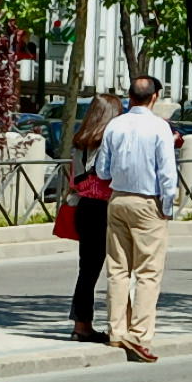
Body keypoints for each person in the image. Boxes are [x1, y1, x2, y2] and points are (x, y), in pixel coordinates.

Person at [95, 76, 178, 363]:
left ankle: (116, 330)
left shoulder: (115, 125)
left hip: (118, 198)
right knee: (147, 271)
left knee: (117, 269)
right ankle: (139, 335)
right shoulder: (159, 128)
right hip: (148, 202)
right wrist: (168, 205)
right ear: (154, 97)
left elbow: (102, 170)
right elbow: (167, 173)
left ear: (130, 96)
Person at [67, 93, 123, 343]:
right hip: (105, 206)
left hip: (84, 207)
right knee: (120, 267)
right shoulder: (110, 141)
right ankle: (119, 322)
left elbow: (72, 179)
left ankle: (82, 324)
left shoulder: (78, 142)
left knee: (87, 270)